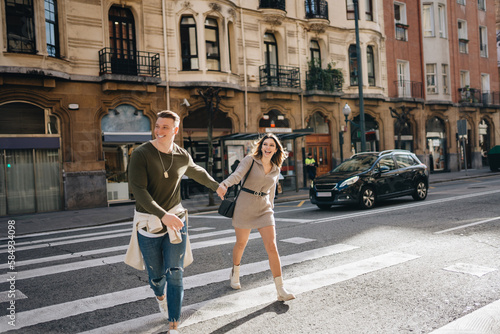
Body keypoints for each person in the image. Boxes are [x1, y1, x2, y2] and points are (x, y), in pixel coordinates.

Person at [124, 110, 222, 333]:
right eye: (157, 126)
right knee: (156, 277)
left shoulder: (181, 155)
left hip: (176, 220)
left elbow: (197, 172)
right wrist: (162, 215)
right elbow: (138, 191)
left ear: (175, 130)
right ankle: (160, 296)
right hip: (149, 223)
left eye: (165, 127)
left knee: (175, 272)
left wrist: (218, 186)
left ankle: (174, 323)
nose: (159, 131)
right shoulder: (141, 154)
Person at [216, 133, 295, 302]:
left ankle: (280, 289)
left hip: (264, 209)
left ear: (276, 149)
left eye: (271, 145)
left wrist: (271, 209)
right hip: (245, 206)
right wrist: (224, 184)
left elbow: (272, 192)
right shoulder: (250, 160)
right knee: (241, 243)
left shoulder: (276, 167)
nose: (268, 147)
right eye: (265, 144)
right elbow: (237, 176)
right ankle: (235, 272)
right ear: (261, 146)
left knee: (272, 246)